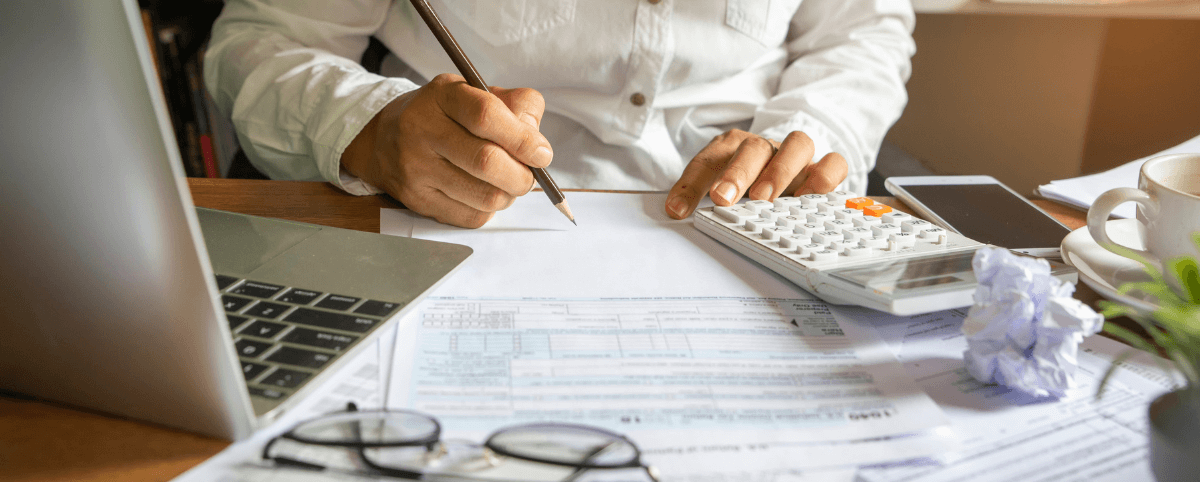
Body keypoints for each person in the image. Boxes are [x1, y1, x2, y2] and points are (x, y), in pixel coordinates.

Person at [205, 0, 915, 228]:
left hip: (752, 220)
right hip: (441, 216)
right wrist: (368, 126)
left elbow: (863, 33)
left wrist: (806, 136)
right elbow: (266, 37)